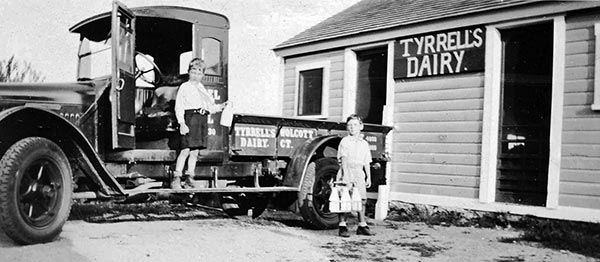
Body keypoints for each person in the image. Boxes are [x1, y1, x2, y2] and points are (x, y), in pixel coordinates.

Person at [172, 58, 227, 189]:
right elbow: (179, 107)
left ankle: (190, 177)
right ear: (189, 72)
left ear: (202, 75)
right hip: (190, 119)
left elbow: (210, 107)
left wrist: (221, 106)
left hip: (201, 119)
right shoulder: (184, 87)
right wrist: (182, 123)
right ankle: (176, 178)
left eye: (199, 73)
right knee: (185, 150)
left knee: (195, 151)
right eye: (193, 72)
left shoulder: (202, 88)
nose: (196, 75)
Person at [336, 114, 375, 237]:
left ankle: (362, 225)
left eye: (355, 125)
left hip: (359, 172)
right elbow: (344, 159)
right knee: (345, 199)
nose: (352, 128)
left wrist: (368, 176)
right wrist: (346, 176)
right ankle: (342, 226)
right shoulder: (345, 141)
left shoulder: (364, 143)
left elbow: (366, 161)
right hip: (346, 170)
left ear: (361, 127)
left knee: (361, 199)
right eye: (350, 125)